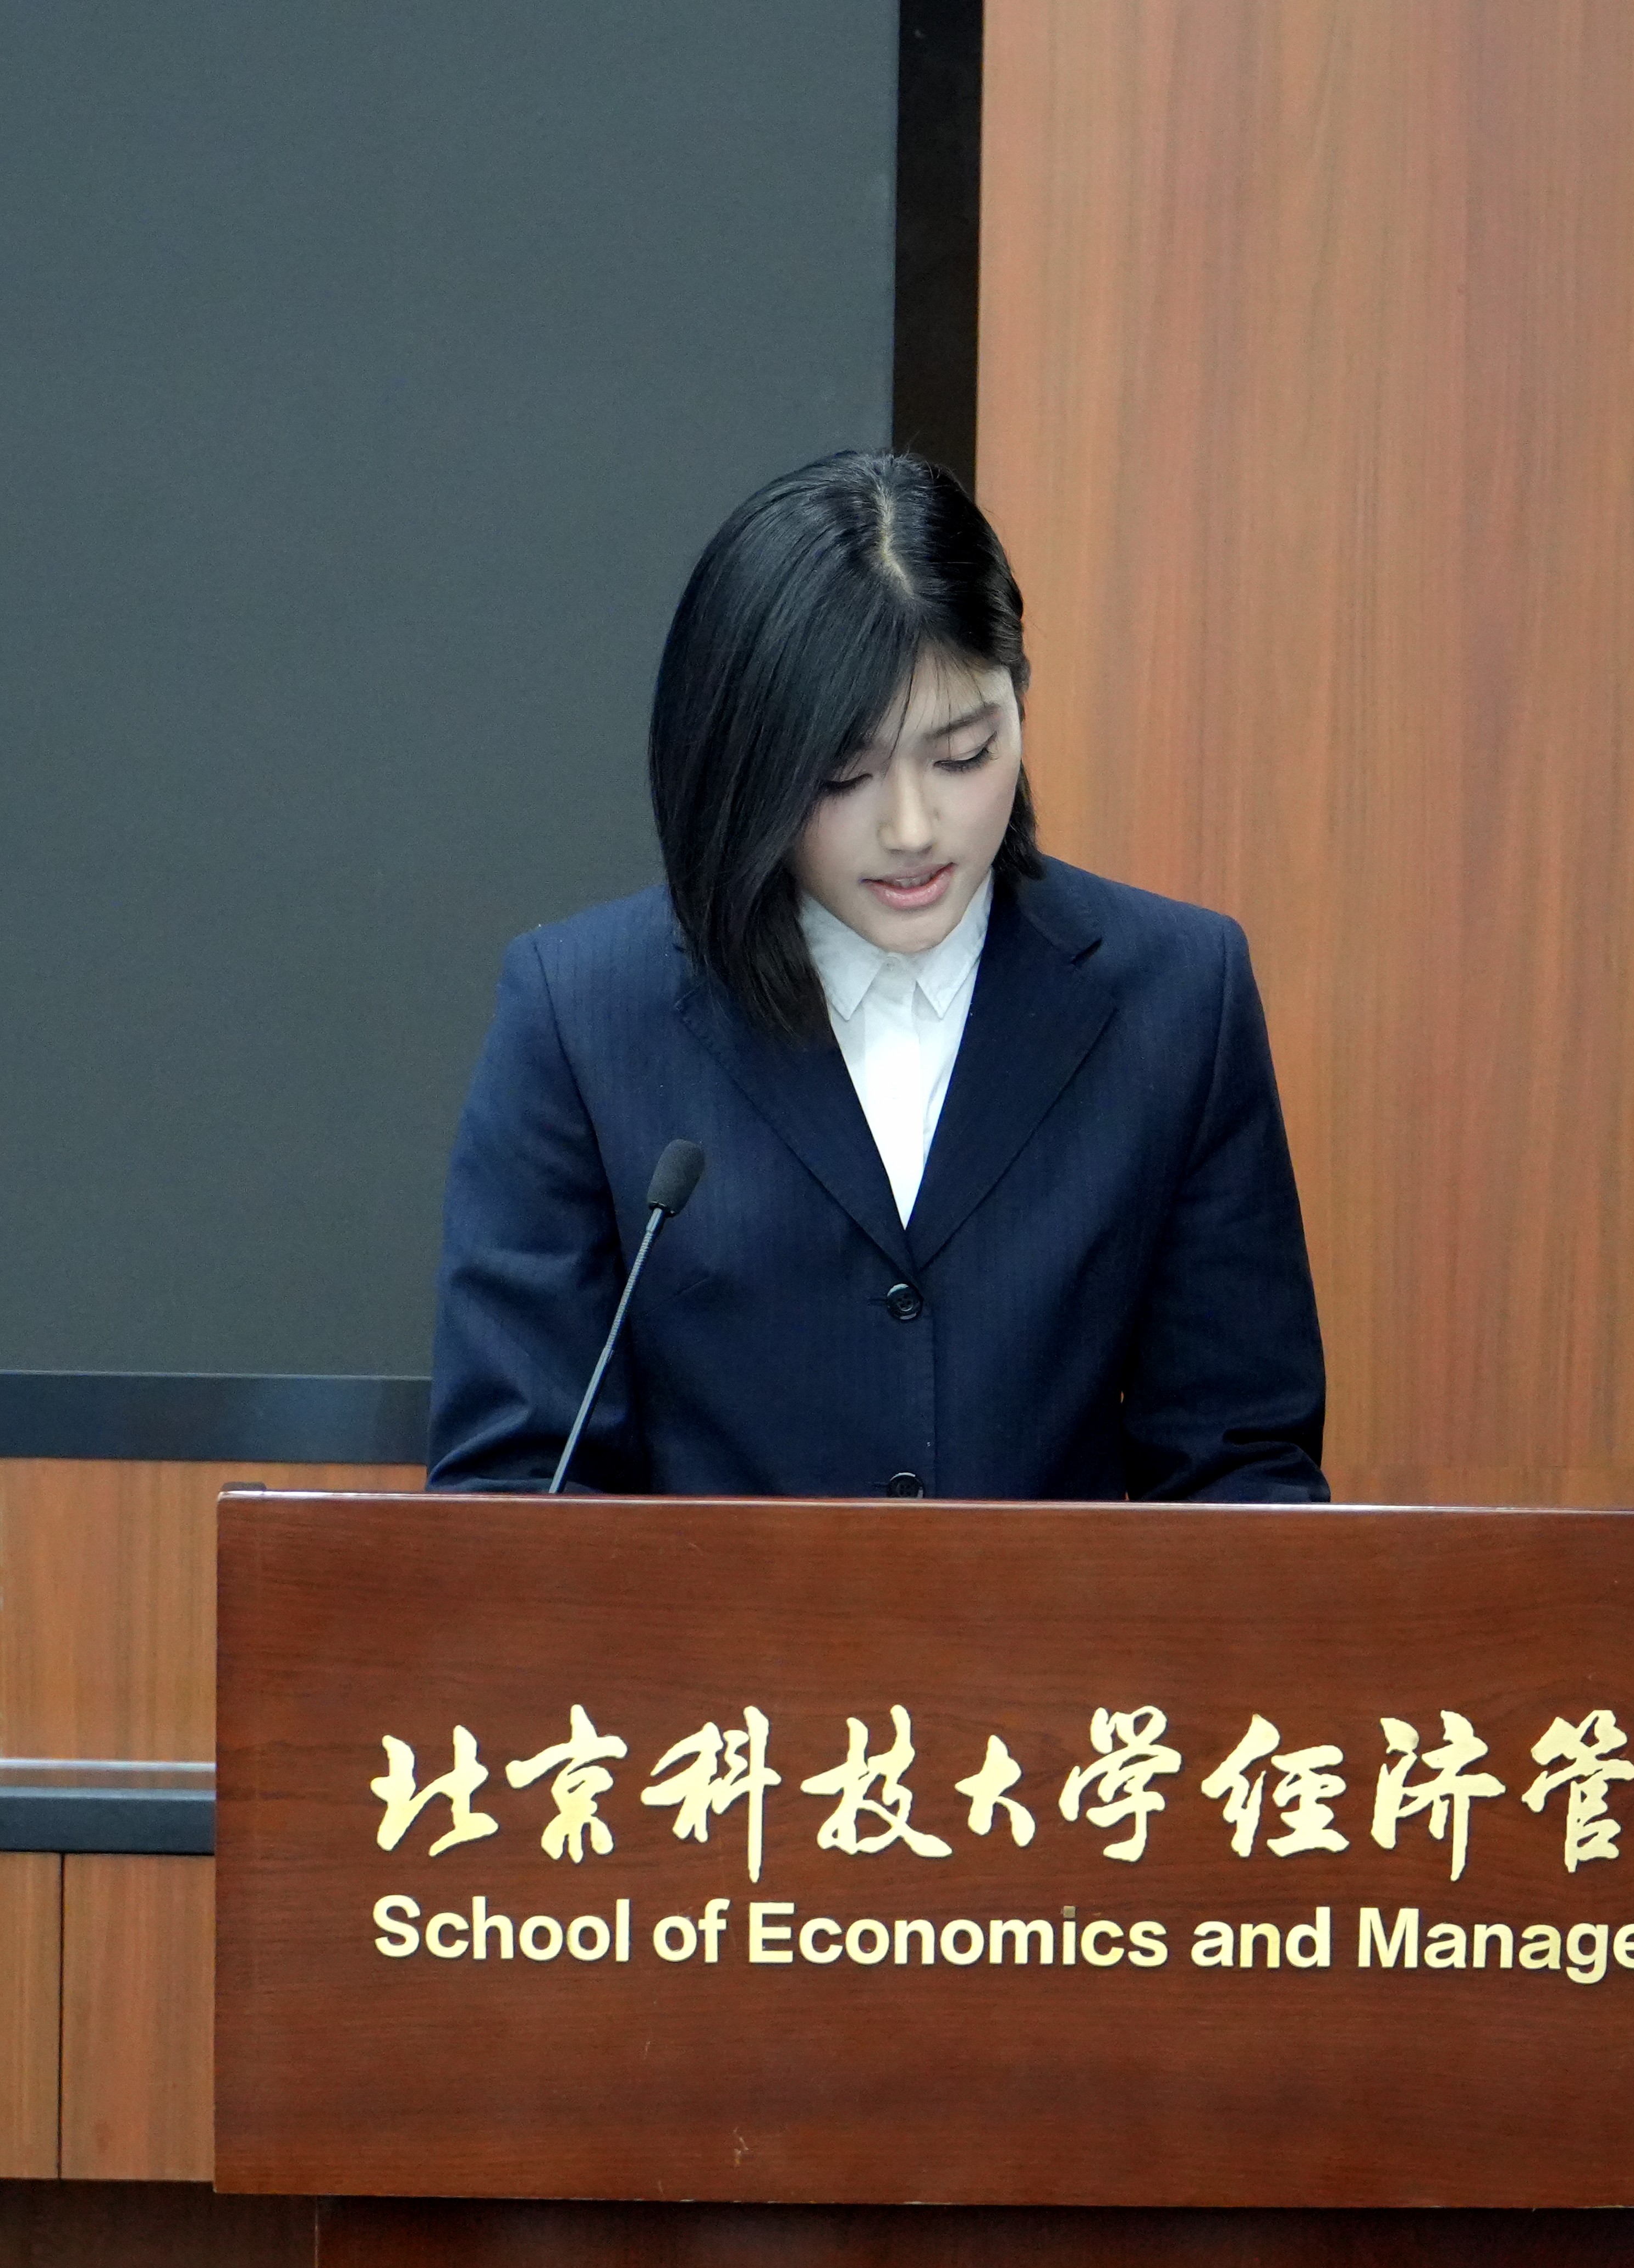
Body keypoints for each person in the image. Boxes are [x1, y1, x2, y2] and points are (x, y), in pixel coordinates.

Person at [427, 450, 1327, 1501]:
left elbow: (1241, 1473)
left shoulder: (1178, 994)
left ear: (1020, 701)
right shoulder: (583, 1014)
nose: (912, 829)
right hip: (703, 1618)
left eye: (964, 755)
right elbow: (516, 1489)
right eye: (843, 774)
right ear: (741, 763)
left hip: (1058, 1619)